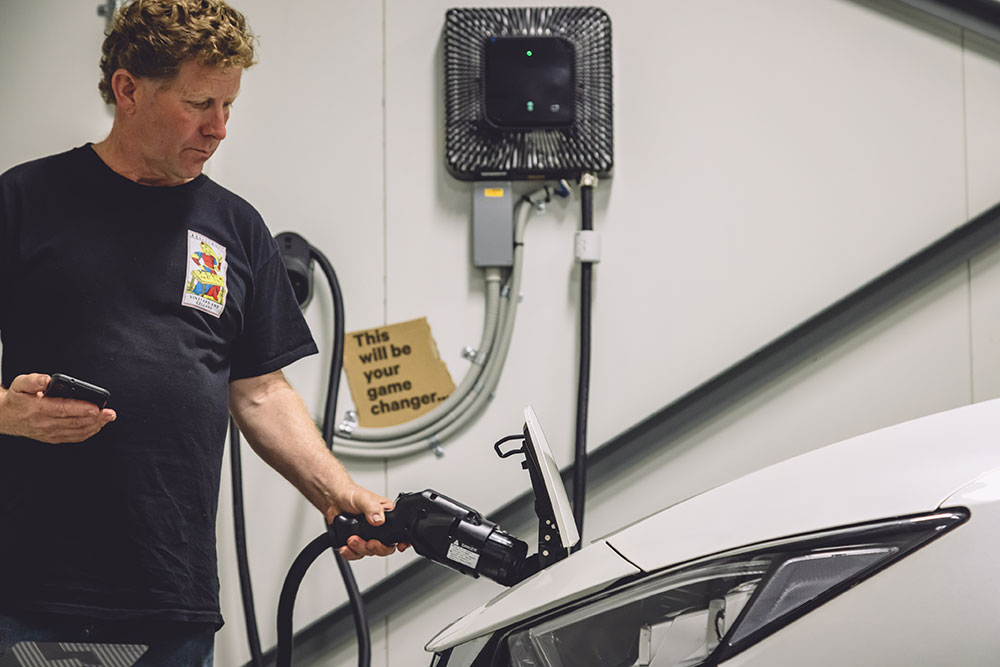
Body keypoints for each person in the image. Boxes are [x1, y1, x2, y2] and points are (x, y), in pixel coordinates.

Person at [0, 1, 400, 664]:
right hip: (37, 595)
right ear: (128, 89)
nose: (218, 129)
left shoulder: (235, 227)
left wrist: (339, 491)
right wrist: (8, 412)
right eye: (197, 103)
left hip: (172, 595)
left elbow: (262, 392)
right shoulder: (24, 202)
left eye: (228, 106)